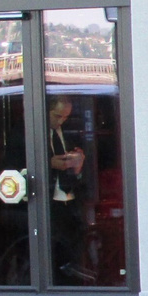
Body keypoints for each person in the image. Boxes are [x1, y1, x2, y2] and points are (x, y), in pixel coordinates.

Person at [47, 95, 88, 283]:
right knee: (51, 256)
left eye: (65, 117)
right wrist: (48, 164)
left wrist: (78, 167)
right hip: (47, 204)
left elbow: (86, 175)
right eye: (57, 116)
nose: (61, 121)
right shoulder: (27, 134)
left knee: (73, 254)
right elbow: (14, 167)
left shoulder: (71, 133)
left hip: (71, 203)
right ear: (46, 110)